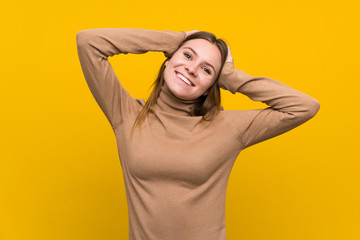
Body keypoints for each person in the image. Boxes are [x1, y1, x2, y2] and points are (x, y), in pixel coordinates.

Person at [76, 27, 320, 240]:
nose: (192, 68)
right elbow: (88, 42)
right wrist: (173, 40)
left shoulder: (227, 128)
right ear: (167, 61)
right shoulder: (127, 114)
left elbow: (304, 106)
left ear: (211, 86)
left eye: (206, 70)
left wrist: (230, 77)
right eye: (187, 55)